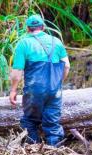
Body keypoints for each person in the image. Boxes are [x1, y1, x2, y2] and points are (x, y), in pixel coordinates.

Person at [9, 14, 70, 146]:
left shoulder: (24, 43)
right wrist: (58, 83)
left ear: (27, 28)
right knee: (53, 125)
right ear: (43, 27)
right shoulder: (56, 41)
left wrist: (13, 90)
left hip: (34, 92)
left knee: (30, 122)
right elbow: (66, 66)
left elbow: (17, 72)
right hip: (55, 91)